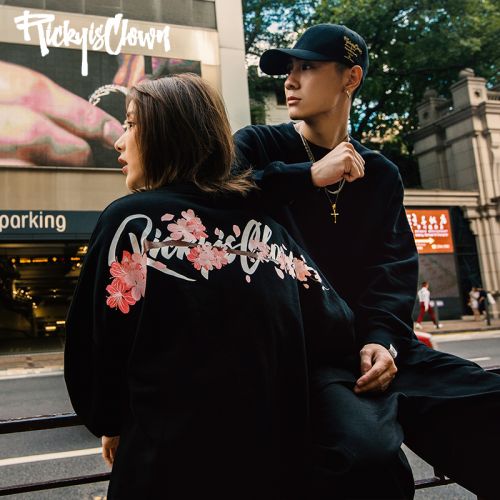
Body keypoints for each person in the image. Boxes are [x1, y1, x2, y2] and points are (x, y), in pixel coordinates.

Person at [234, 23, 500, 499]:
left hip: (378, 350)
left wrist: (382, 341)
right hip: (306, 357)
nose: (290, 80)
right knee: (368, 457)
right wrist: (307, 175)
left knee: (486, 402)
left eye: (307, 67)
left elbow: (393, 269)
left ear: (350, 78)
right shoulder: (258, 145)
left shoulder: (380, 173)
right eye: (289, 69)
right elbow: (216, 197)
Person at [64, 73, 358, 499]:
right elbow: (336, 328)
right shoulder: (269, 232)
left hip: (164, 472)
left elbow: (94, 351)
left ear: (168, 132)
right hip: (271, 471)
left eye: (131, 124)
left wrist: (110, 422)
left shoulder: (131, 223)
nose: (119, 141)